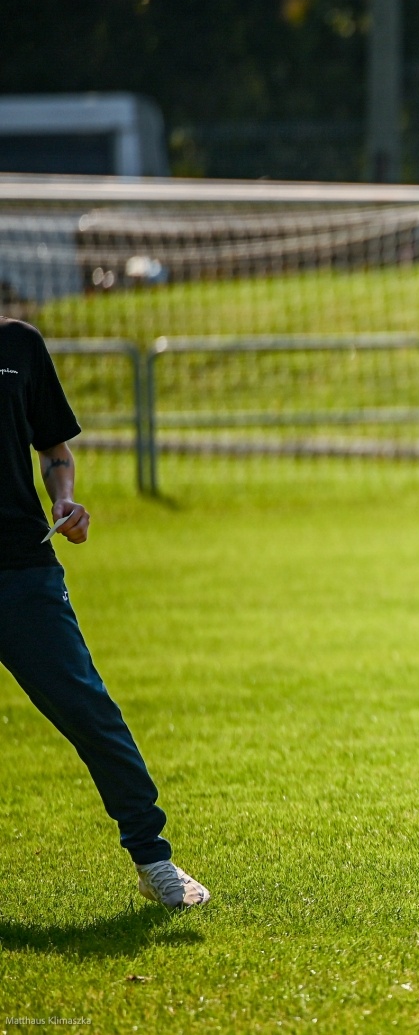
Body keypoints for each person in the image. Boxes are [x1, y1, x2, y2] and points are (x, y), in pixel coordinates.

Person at [0, 317, 208, 907]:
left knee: (89, 709)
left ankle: (154, 859)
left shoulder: (19, 344)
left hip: (22, 567)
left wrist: (64, 499)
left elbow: (53, 449)